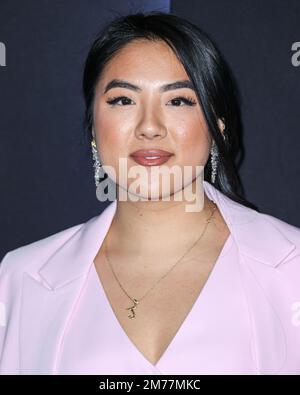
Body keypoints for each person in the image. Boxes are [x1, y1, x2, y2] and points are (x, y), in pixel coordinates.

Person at [1, 11, 300, 375]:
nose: (149, 127)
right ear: (93, 124)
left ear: (216, 124)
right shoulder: (20, 278)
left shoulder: (291, 267)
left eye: (178, 101)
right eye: (123, 100)